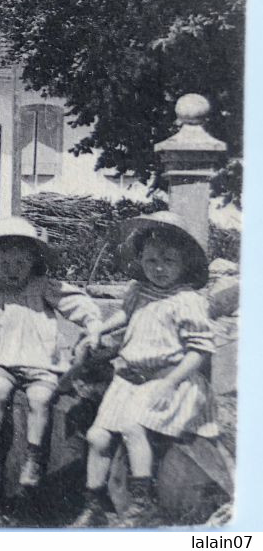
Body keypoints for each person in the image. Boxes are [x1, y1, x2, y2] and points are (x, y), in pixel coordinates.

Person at [70, 212, 217, 528]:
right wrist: (97, 331)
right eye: (151, 261)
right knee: (97, 436)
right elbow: (124, 316)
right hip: (130, 378)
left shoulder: (187, 299)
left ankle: (142, 503)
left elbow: (199, 351)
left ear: (184, 262)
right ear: (140, 261)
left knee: (133, 427)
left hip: (169, 378)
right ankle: (93, 505)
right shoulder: (139, 290)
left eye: (168, 260)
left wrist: (170, 382)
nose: (159, 268)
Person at [0, 216, 102, 490]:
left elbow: (77, 303)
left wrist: (93, 323)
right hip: (1, 359)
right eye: (3, 264)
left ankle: (33, 458)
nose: (12, 270)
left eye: (20, 263)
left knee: (40, 399)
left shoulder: (43, 287)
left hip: (40, 361)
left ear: (33, 261)